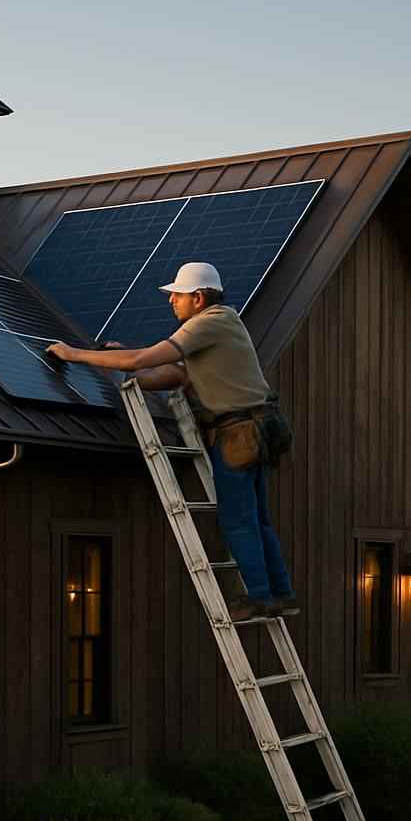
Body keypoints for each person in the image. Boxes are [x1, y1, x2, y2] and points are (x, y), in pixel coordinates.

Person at [46, 262, 296, 623]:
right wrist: (128, 367)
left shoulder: (209, 323)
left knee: (238, 521)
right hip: (256, 430)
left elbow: (142, 359)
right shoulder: (222, 325)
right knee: (257, 519)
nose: (171, 302)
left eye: (176, 295)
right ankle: (280, 593)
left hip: (237, 434)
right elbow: (173, 373)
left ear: (197, 297)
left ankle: (259, 596)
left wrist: (76, 355)